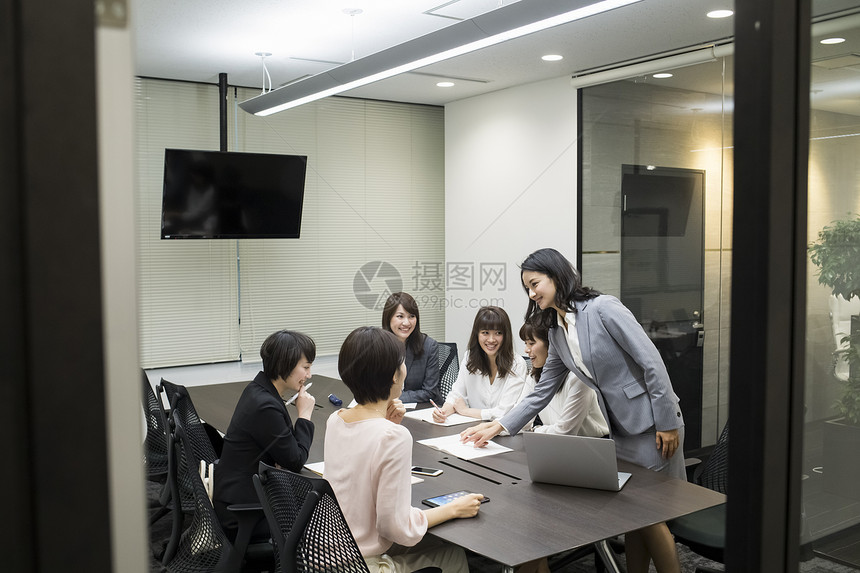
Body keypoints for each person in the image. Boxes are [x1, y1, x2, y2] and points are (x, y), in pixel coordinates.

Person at [461, 248, 686, 573]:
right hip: (620, 431)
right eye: (527, 287)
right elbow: (541, 392)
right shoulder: (557, 332)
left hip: (652, 424)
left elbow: (651, 363)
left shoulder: (603, 309)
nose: (531, 293)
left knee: (653, 519)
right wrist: (498, 426)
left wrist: (667, 421)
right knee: (635, 518)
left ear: (556, 276)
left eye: (535, 283)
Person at [325, 326, 483, 573]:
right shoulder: (393, 436)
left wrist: (386, 425)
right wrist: (453, 509)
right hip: (363, 567)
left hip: (326, 556)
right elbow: (395, 527)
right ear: (394, 376)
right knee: (453, 554)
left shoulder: (335, 419)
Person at [213, 329, 316, 541]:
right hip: (243, 513)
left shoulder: (257, 390)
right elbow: (295, 460)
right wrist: (304, 416)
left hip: (239, 495)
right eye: (305, 367)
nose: (309, 375)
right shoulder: (265, 406)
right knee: (319, 512)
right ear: (284, 364)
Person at [432, 306, 529, 424]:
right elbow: (456, 396)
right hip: (472, 429)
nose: (491, 339)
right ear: (477, 334)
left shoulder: (517, 364)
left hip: (502, 434)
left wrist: (465, 411)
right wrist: (443, 412)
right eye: (485, 333)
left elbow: (504, 413)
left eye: (498, 333)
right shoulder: (469, 358)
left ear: (506, 335)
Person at [520, 319, 609, 437]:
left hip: (593, 446)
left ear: (552, 344)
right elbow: (521, 416)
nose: (526, 350)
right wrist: (493, 427)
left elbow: (565, 431)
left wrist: (536, 430)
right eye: (525, 343)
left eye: (531, 343)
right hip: (553, 443)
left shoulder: (578, 377)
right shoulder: (534, 375)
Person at [382, 292, 441, 404]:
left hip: (422, 409)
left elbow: (430, 392)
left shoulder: (429, 346)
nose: (406, 323)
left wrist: (393, 398)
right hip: (385, 408)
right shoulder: (379, 346)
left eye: (412, 316)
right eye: (400, 316)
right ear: (388, 318)